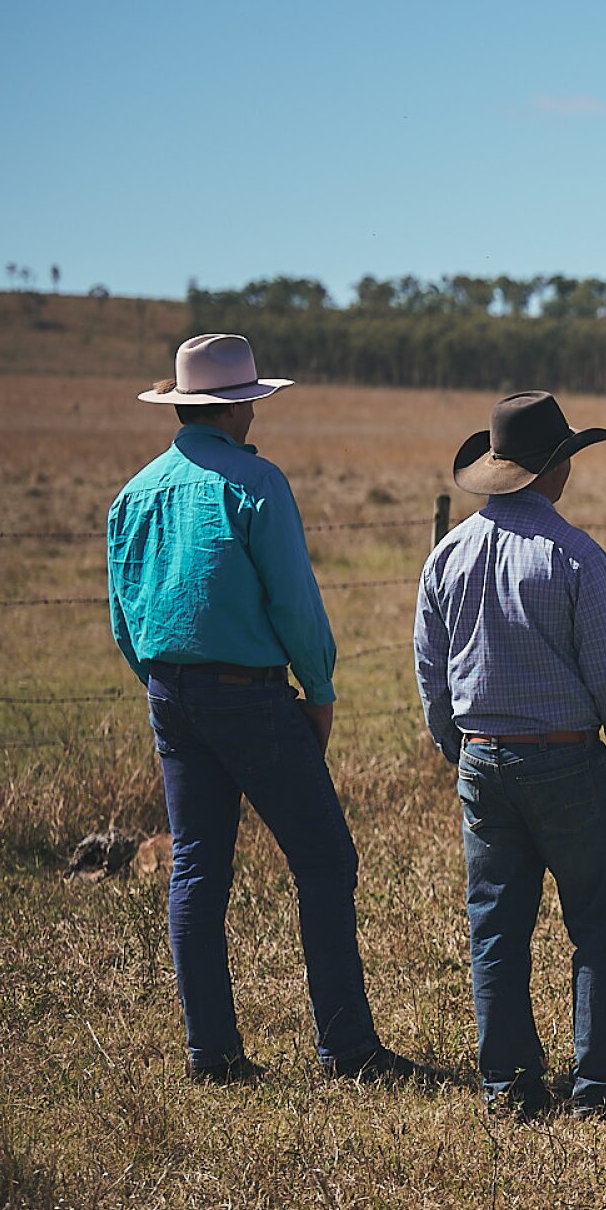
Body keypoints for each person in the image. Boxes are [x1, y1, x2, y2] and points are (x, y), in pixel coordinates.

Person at [107, 333, 416, 1084]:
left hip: (169, 694)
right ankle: (348, 1048)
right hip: (249, 694)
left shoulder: (134, 493)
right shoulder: (255, 483)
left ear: (181, 405)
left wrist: (163, 683)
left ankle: (210, 1054)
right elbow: (295, 606)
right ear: (241, 408)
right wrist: (319, 691)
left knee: (197, 870)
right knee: (324, 858)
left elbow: (124, 619)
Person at [415, 392, 606, 1118]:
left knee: (496, 925)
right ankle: (600, 1084)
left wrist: (456, 747)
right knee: (599, 921)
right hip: (567, 759)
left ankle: (508, 1085)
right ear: (557, 468)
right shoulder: (575, 555)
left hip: (483, 756)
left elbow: (430, 668)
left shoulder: (446, 555)